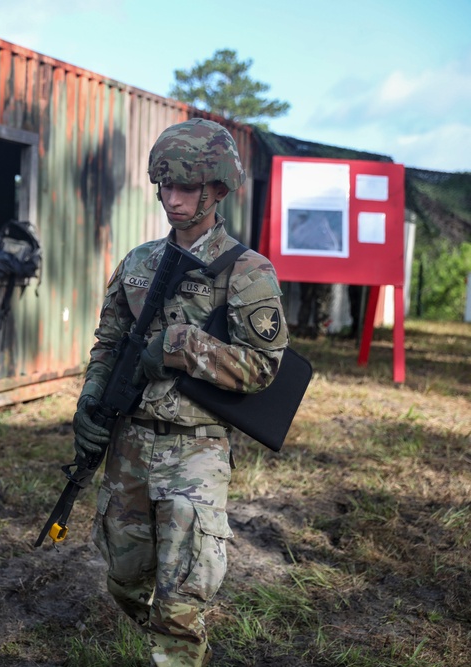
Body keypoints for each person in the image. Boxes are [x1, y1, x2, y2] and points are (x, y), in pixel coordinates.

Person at [73, 118, 288, 666]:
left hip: (196, 449)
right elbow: (109, 340)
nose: (172, 198)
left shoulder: (246, 271)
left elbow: (264, 366)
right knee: (123, 577)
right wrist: (91, 401)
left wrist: (181, 346)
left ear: (217, 189)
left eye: (186, 187)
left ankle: (175, 647)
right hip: (129, 444)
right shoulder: (140, 262)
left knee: (181, 601)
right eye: (164, 185)